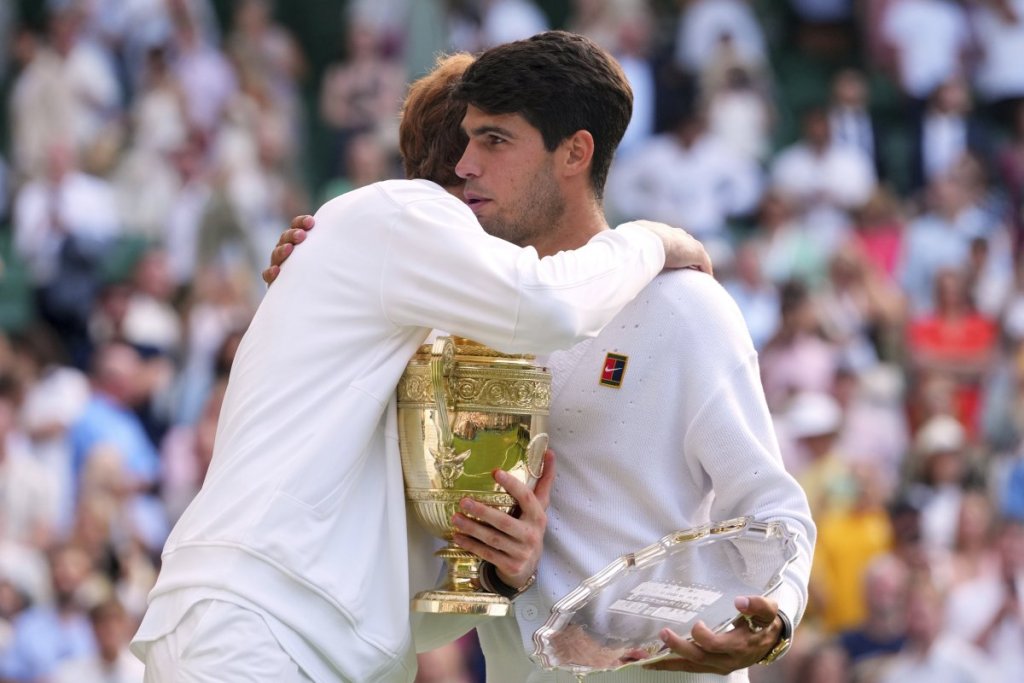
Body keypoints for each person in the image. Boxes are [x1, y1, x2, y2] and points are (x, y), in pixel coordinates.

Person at [129, 50, 711, 683]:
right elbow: (546, 304)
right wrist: (651, 240)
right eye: (485, 140)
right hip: (256, 629)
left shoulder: (410, 290)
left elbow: (415, 611)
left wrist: (501, 569)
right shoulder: (407, 213)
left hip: (288, 640)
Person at [270, 31, 815, 682]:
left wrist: (775, 620)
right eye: (466, 142)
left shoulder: (686, 307)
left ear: (574, 153)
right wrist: (320, 273)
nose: (466, 165)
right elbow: (425, 567)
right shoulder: (447, 327)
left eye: (494, 140)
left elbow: (774, 511)